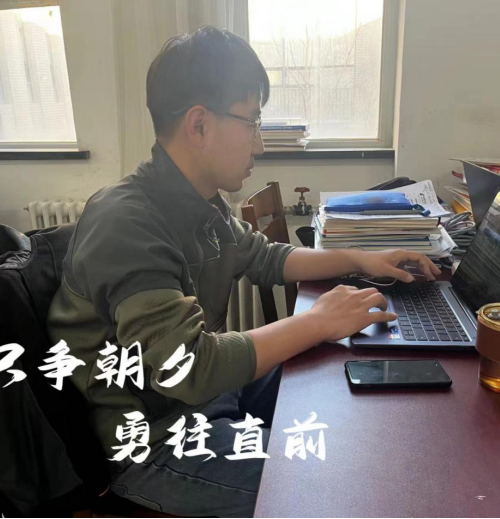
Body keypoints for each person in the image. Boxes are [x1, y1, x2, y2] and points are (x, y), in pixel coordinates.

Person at [47, 26, 440, 518]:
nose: (260, 144)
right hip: (154, 442)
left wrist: (360, 258)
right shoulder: (127, 223)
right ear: (199, 125)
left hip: (205, 397)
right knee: (339, 480)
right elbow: (189, 367)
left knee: (346, 384)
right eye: (251, 122)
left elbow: (266, 257)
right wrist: (316, 320)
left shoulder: (200, 203)